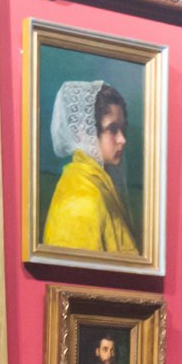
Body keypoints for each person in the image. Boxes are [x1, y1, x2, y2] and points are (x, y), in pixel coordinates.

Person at [42, 80, 138, 258]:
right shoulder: (82, 200)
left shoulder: (95, 182)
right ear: (84, 132)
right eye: (113, 129)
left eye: (122, 129)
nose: (122, 139)